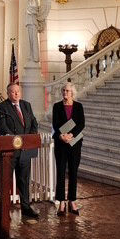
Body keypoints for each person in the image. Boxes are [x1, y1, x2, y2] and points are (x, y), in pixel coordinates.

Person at [0, 83, 39, 219]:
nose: (16, 94)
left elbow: (33, 123)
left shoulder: (26, 105)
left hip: (25, 151)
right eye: (13, 92)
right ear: (8, 94)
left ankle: (26, 207)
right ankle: (4, 211)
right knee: (6, 181)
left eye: (17, 91)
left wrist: (28, 139)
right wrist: (17, 141)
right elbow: (3, 128)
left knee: (24, 181)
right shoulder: (2, 107)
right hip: (10, 152)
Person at [52, 82, 84, 216]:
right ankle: (61, 203)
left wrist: (71, 135)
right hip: (61, 142)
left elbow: (81, 123)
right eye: (63, 90)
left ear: (72, 93)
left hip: (75, 142)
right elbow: (56, 123)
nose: (65, 93)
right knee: (60, 172)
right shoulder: (57, 106)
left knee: (73, 172)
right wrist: (62, 136)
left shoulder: (78, 106)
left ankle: (72, 201)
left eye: (68, 91)